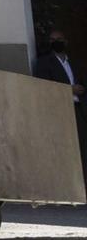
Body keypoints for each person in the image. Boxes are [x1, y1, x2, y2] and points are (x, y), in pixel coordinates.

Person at [32, 29, 85, 180]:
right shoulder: (44, 63)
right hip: (58, 111)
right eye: (52, 39)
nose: (56, 42)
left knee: (81, 146)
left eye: (59, 39)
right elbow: (43, 87)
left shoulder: (75, 62)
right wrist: (68, 90)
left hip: (77, 109)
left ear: (65, 41)